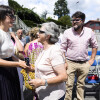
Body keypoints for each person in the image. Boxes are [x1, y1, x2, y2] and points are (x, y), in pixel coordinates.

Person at [61, 11, 98, 100]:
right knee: (69, 84)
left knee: (81, 85)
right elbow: (62, 49)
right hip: (70, 62)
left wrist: (92, 59)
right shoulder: (67, 32)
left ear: (83, 21)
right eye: (73, 20)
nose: (74, 22)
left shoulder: (89, 32)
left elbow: (95, 46)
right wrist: (64, 61)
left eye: (77, 20)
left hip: (84, 63)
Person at [28, 22, 67, 100]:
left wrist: (41, 82)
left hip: (53, 96)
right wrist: (31, 68)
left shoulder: (54, 51)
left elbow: (64, 77)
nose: (37, 33)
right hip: (43, 95)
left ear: (48, 36)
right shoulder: (44, 49)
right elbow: (47, 67)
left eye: (40, 31)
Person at [0, 5, 29, 100]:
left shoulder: (8, 33)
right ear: (2, 16)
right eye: (11, 16)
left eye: (14, 16)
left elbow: (9, 55)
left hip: (11, 70)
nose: (14, 19)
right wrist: (17, 63)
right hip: (2, 73)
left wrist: (21, 62)